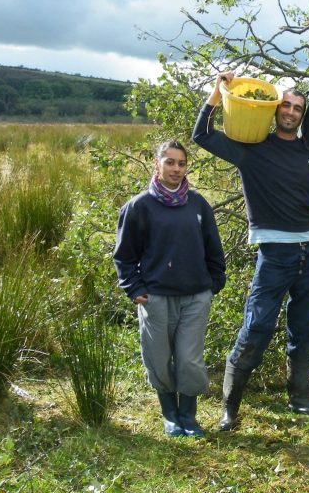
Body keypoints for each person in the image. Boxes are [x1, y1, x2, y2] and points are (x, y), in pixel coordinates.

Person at [193, 73, 309, 429]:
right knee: (257, 325)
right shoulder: (252, 148)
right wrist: (217, 91)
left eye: (297, 108)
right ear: (275, 110)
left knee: (305, 328)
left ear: (303, 116)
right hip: (274, 255)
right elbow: (202, 135)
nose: (290, 111)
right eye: (286, 105)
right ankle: (230, 408)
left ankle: (300, 400)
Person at [113, 139, 227, 438]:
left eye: (181, 163)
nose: (176, 169)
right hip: (156, 297)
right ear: (157, 164)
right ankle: (170, 416)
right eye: (170, 162)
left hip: (195, 296)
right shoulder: (139, 207)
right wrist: (134, 288)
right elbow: (124, 256)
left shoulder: (198, 204)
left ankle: (189, 416)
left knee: (189, 359)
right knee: (159, 358)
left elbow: (214, 249)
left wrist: (214, 283)